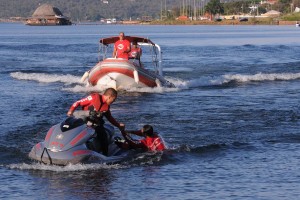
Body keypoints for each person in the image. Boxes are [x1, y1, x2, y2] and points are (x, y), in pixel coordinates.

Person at [67, 88, 124, 156]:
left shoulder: (106, 107)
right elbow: (78, 102)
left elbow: (110, 118)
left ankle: (105, 156)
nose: (113, 101)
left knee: (103, 137)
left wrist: (118, 125)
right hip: (84, 121)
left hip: (96, 124)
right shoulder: (94, 97)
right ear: (110, 96)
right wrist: (71, 111)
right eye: (113, 99)